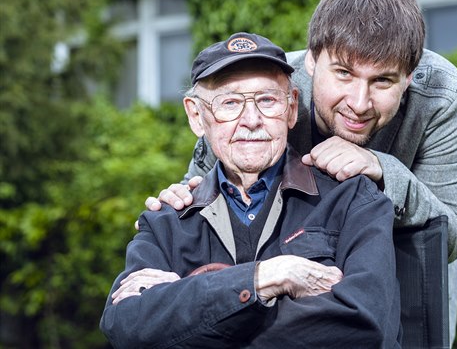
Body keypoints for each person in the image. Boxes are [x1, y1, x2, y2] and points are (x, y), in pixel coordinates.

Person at [147, 0, 457, 343]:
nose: (359, 102)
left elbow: (453, 234)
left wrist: (384, 170)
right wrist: (179, 201)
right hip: (291, 273)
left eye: (382, 81)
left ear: (409, 77)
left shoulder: (443, 97)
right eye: (344, 74)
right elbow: (203, 199)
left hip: (405, 259)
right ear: (313, 60)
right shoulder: (268, 93)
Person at [100, 32, 402, 348]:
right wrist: (266, 277)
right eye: (229, 103)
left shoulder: (355, 200)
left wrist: (194, 305)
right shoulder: (166, 223)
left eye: (267, 100)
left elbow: (365, 326)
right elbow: (126, 326)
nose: (252, 120)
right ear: (196, 116)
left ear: (291, 108)